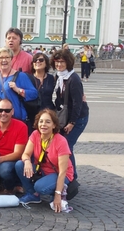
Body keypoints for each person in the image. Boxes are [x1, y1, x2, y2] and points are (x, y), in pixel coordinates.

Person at [15, 109, 75, 210]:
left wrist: (57, 195)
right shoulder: (35, 135)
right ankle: (33, 195)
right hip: (43, 171)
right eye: (41, 121)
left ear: (54, 125)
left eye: (48, 122)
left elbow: (62, 171)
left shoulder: (61, 141)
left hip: (61, 174)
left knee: (40, 187)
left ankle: (60, 191)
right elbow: (25, 154)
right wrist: (27, 161)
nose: (43, 124)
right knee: (19, 165)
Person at [51, 50, 89, 180]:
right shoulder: (59, 76)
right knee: (63, 145)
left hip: (78, 118)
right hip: (66, 116)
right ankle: (67, 173)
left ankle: (72, 176)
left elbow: (78, 104)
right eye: (57, 62)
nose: (59, 65)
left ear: (68, 62)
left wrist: (72, 123)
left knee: (67, 145)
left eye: (62, 62)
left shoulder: (73, 79)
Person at [0, 47, 38, 122]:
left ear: (11, 59)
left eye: (7, 57)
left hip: (15, 120)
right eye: (1, 57)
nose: (4, 60)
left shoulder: (21, 76)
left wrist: (18, 90)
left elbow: (34, 94)